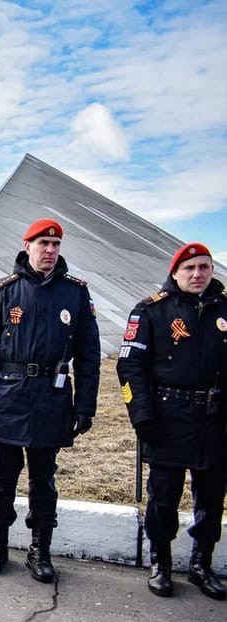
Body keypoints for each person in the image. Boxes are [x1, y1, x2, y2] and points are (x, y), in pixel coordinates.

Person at [0, 219, 100, 583]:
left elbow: (89, 354)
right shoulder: (3, 290)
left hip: (51, 398)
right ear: (27, 246)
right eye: (43, 244)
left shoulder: (75, 293)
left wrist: (85, 405)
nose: (50, 250)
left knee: (44, 481)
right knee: (0, 478)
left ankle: (40, 550)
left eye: (56, 244)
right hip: (7, 396)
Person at [116, 243, 226, 600]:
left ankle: (200, 564)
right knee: (163, 497)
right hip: (168, 417)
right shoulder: (151, 310)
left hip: (215, 420)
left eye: (204, 267)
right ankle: (160, 561)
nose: (198, 274)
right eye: (189, 268)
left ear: (212, 270)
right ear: (175, 272)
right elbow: (129, 367)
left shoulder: (224, 309)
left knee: (211, 496)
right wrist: (141, 414)